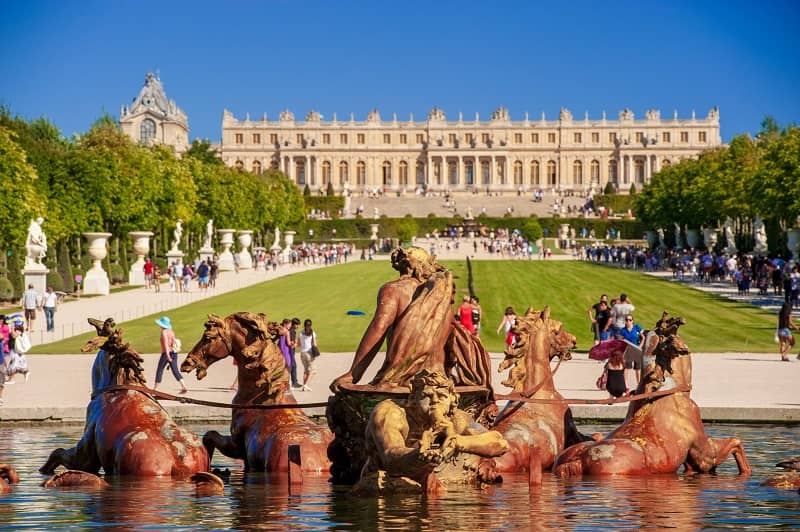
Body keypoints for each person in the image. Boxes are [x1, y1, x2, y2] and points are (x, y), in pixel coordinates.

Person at [331, 247, 452, 391]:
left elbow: (379, 328)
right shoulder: (441, 297)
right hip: (438, 381)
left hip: (405, 382)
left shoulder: (394, 289)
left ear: (405, 266)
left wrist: (353, 374)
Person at [361, 370, 507, 486]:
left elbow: (501, 444)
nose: (435, 402)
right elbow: (390, 456)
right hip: (386, 490)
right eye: (427, 396)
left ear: (452, 401)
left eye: (442, 397)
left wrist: (458, 442)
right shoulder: (390, 413)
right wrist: (418, 455)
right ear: (414, 398)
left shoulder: (454, 417)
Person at [153, 316, 187, 394]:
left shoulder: (164, 332)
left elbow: (165, 344)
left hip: (166, 353)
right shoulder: (171, 331)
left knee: (160, 370)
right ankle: (183, 386)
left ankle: (155, 389)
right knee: (175, 370)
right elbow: (174, 342)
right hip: (174, 353)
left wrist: (167, 355)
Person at [618, 314, 644, 387]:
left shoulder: (637, 327)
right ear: (625, 321)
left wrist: (640, 346)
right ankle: (625, 384)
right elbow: (620, 341)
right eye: (626, 320)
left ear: (632, 321)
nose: (628, 321)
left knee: (638, 368)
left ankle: (639, 384)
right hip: (628, 350)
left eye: (630, 320)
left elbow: (643, 337)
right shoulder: (623, 330)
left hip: (636, 349)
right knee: (627, 368)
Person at [298, 319, 318, 392]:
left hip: (302, 353)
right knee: (313, 370)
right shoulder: (312, 333)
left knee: (306, 370)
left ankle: (304, 386)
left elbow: (298, 344)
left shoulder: (300, 333)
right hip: (309, 353)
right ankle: (306, 385)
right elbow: (315, 344)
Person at [288, 317, 301, 389]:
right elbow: (292, 343)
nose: (298, 326)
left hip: (290, 352)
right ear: (294, 324)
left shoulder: (291, 330)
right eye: (297, 325)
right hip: (290, 352)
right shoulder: (292, 331)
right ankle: (294, 382)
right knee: (293, 366)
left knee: (292, 366)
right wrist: (296, 344)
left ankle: (294, 382)